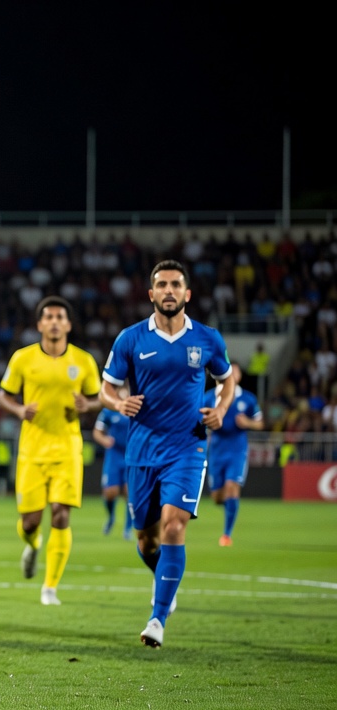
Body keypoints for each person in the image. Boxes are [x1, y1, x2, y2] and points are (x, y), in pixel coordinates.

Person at [102, 259, 234, 648]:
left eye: (176, 284)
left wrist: (222, 409)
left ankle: (157, 618)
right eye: (162, 285)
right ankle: (166, 583)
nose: (169, 291)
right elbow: (105, 389)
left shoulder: (208, 339)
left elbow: (227, 380)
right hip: (141, 450)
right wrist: (118, 403)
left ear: (187, 294)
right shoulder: (130, 339)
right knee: (146, 539)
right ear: (151, 294)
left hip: (188, 447)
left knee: (174, 525)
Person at [0, 296, 101, 606]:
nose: (54, 322)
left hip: (68, 447)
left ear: (68, 324)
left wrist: (88, 405)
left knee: (60, 513)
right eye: (49, 317)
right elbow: (3, 397)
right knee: (30, 521)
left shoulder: (84, 361)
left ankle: (50, 587)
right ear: (40, 324)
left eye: (60, 317)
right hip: (31, 449)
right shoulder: (22, 358)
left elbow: (100, 398)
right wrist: (18, 411)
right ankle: (32, 544)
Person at [202, 363, 263, 546]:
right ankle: (228, 504)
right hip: (216, 450)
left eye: (235, 371)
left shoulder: (248, 399)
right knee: (217, 497)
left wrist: (248, 423)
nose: (232, 374)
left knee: (232, 487)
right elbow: (197, 420)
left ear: (239, 376)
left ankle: (226, 535)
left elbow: (259, 424)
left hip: (237, 449)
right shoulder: (208, 397)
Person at [93, 398, 132, 538]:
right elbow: (97, 431)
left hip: (130, 454)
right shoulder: (109, 409)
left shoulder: (135, 407)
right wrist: (104, 440)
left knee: (129, 491)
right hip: (114, 455)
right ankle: (111, 518)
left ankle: (128, 528)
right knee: (111, 492)